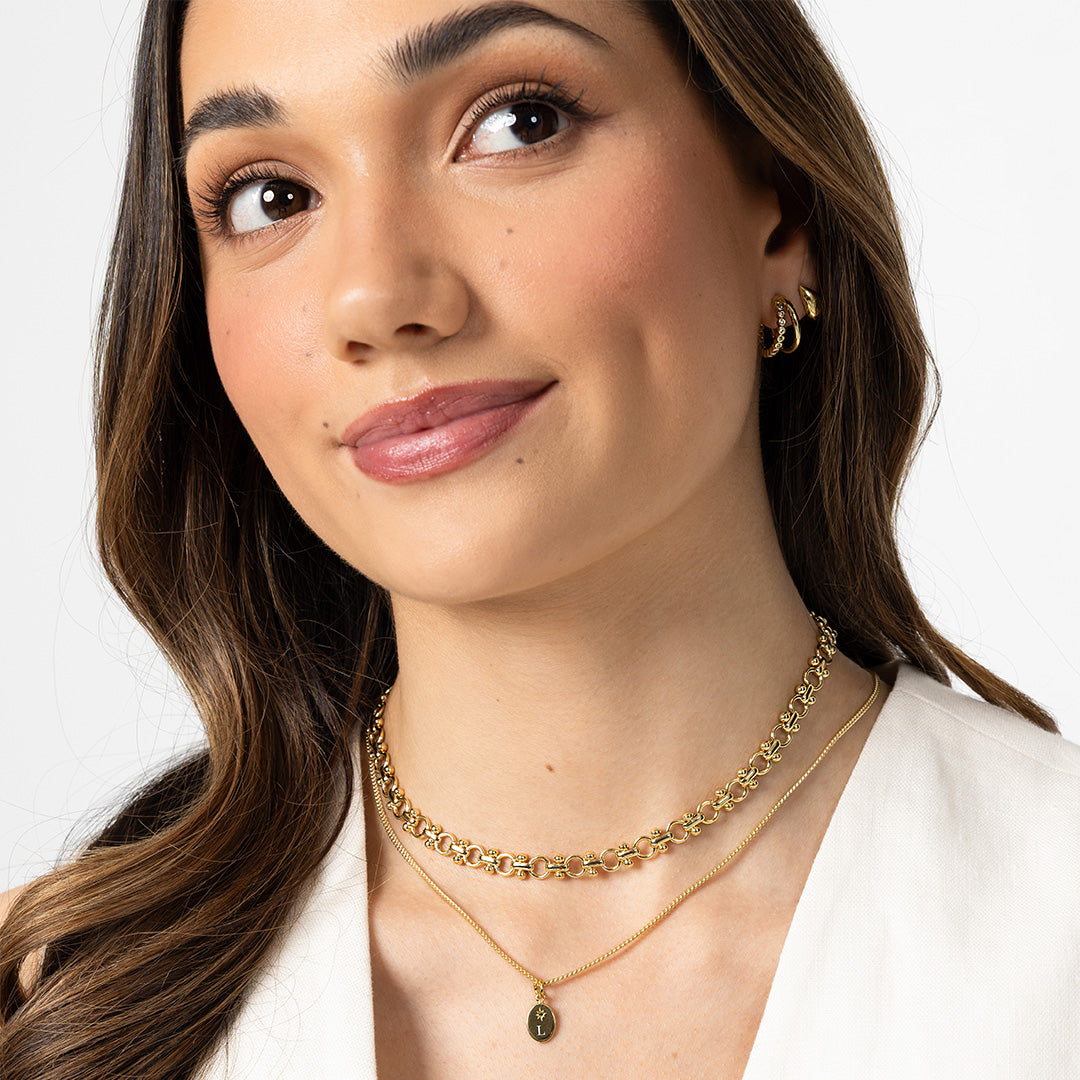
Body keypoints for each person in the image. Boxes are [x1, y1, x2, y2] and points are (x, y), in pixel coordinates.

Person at [1, 1, 1077, 1077]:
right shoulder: (59, 1000)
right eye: (270, 197)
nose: (374, 296)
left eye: (519, 122)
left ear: (780, 212)